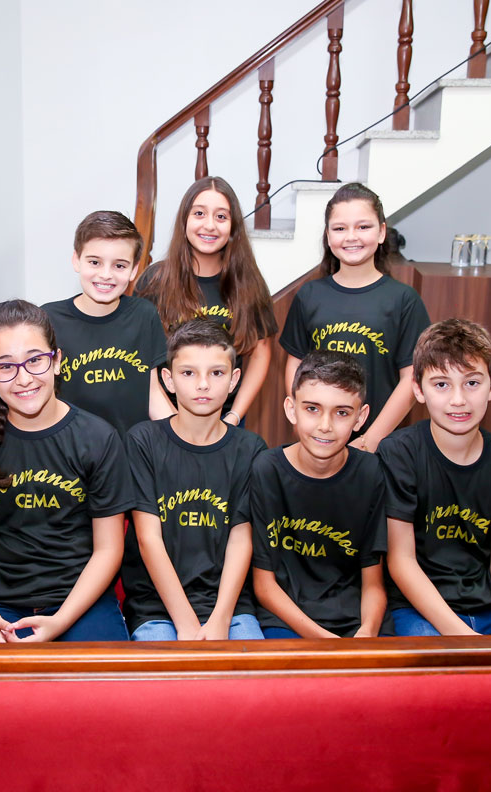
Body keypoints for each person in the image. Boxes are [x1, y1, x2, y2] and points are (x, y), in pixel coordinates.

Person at [0, 299, 134, 642]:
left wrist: (61, 621)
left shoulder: (98, 438)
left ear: (57, 360)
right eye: (5, 367)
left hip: (80, 602)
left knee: (106, 678)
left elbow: (108, 549)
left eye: (35, 360)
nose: (23, 378)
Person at [377, 319, 491, 636]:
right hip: (418, 609)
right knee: (444, 666)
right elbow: (402, 561)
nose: (458, 400)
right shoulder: (399, 454)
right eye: (441, 385)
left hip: (489, 607)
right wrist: (465, 638)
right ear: (418, 388)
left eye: (472, 383)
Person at [122, 318, 267, 640]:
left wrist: (220, 620)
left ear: (234, 380)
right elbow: (148, 539)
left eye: (216, 373)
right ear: (168, 379)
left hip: (231, 608)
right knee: (166, 668)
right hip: (156, 608)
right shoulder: (143, 441)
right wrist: (186, 623)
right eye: (188, 373)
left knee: (250, 668)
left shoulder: (250, 448)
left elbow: (241, 539)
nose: (203, 385)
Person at [280, 183, 430, 453]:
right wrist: (304, 421)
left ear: (381, 232)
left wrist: (371, 439)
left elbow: (411, 378)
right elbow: (295, 364)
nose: (351, 237)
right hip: (318, 439)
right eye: (340, 228)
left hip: (381, 445)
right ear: (328, 236)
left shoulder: (404, 300)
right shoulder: (309, 295)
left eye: (363, 227)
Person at [251, 350, 387, 639]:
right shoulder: (266, 470)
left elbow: (373, 582)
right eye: (312, 409)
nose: (325, 425)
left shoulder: (370, 472)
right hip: (285, 621)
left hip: (354, 621)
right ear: (291, 409)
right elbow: (264, 586)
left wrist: (367, 633)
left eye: (342, 413)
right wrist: (326, 642)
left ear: (360, 417)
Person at [134, 176, 278, 425]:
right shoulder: (154, 280)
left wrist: (234, 417)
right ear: (185, 220)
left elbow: (260, 353)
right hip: (164, 418)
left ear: (233, 226)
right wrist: (171, 422)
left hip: (225, 422)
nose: (210, 225)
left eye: (221, 216)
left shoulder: (248, 283)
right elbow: (140, 357)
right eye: (199, 213)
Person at [42, 210, 173, 437]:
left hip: (131, 449)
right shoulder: (48, 319)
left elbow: (152, 391)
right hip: (72, 449)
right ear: (76, 260)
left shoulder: (144, 315)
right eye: (95, 262)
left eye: (119, 266)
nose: (106, 274)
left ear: (133, 270)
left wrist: (183, 441)